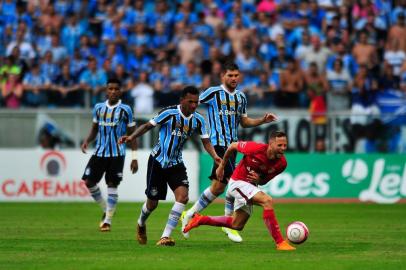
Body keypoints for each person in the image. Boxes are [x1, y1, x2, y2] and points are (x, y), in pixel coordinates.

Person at [182, 62, 277, 243]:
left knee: (218, 187)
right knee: (236, 181)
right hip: (218, 144)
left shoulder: (241, 97)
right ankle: (229, 226)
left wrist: (262, 121)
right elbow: (192, 104)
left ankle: (190, 214)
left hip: (233, 146)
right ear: (222, 76)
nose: (234, 79)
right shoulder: (213, 93)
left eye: (236, 75)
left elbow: (244, 122)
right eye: (230, 75)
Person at [119, 86, 221, 246]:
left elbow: (206, 141)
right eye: (191, 102)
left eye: (196, 102)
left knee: (183, 197)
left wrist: (215, 156)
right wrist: (131, 136)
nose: (194, 105)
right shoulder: (169, 113)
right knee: (152, 204)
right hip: (157, 162)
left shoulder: (199, 120)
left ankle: (165, 236)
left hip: (176, 164)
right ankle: (141, 223)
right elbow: (147, 126)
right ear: (182, 100)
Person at [183, 131, 295, 251]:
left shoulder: (282, 164)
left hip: (251, 187)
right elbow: (232, 146)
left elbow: (263, 182)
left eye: (285, 145)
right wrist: (221, 166)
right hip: (237, 182)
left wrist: (259, 179)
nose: (283, 148)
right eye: (279, 145)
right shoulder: (255, 148)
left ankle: (200, 219)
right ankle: (280, 242)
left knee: (237, 225)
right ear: (271, 143)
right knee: (267, 201)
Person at [81, 77, 138, 232]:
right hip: (99, 152)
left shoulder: (126, 109)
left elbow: (132, 135)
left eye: (116, 89)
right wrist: (87, 140)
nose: (113, 92)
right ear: (106, 91)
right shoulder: (98, 108)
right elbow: (94, 129)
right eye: (110, 89)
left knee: (112, 185)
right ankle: (107, 208)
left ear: (120, 91)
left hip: (117, 154)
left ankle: (107, 221)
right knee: (88, 182)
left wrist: (134, 157)